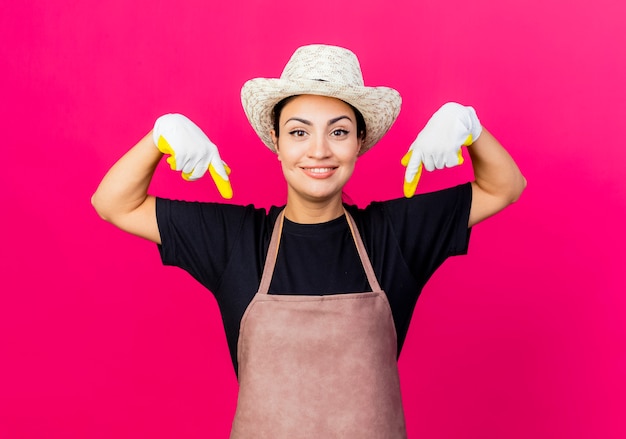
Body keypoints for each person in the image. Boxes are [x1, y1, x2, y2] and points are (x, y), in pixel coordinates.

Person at [92, 44, 526, 438]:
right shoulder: (236, 241)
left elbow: (503, 187)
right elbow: (114, 203)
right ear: (277, 144)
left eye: (338, 132)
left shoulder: (394, 235)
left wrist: (469, 127)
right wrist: (159, 137)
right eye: (299, 132)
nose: (318, 150)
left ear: (359, 144)